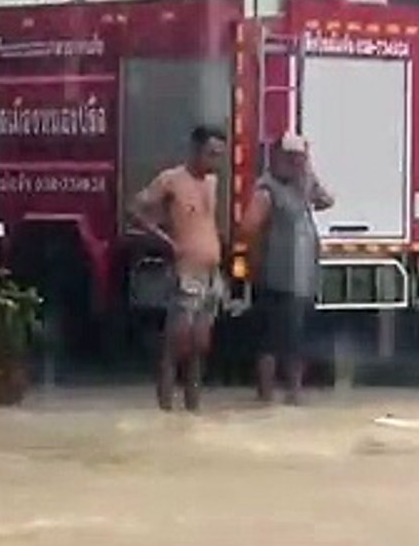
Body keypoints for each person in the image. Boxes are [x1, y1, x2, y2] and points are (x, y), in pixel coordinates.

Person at [130, 124, 228, 412]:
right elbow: (135, 209)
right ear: (196, 150)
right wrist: (166, 241)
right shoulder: (171, 180)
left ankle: (192, 410)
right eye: (211, 154)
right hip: (185, 272)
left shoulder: (212, 182)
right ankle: (165, 409)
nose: (215, 161)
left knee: (200, 347)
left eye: (219, 155)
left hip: (211, 273)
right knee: (176, 345)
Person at [240, 133, 334, 406]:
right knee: (271, 339)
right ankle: (266, 395)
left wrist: (308, 176)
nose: (295, 163)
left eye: (300, 158)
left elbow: (327, 201)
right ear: (278, 157)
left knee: (297, 338)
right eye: (291, 157)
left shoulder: (304, 186)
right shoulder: (266, 189)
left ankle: (294, 393)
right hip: (276, 275)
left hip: (302, 277)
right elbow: (248, 227)